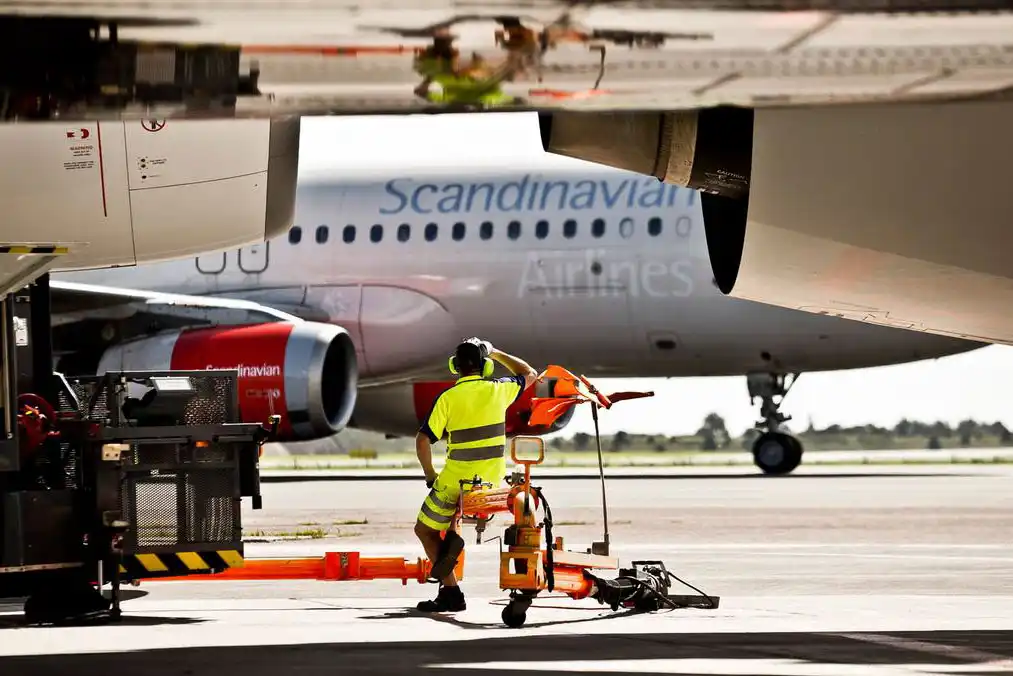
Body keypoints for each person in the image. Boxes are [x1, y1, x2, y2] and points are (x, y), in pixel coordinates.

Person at [413, 337, 538, 612]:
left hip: (453, 486)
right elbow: (530, 373)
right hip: (491, 486)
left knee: (424, 530)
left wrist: (430, 475)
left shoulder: (447, 398)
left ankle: (451, 591)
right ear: (487, 367)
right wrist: (496, 351)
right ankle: (455, 552)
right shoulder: (499, 390)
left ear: (454, 366)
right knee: (454, 523)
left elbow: (422, 440)